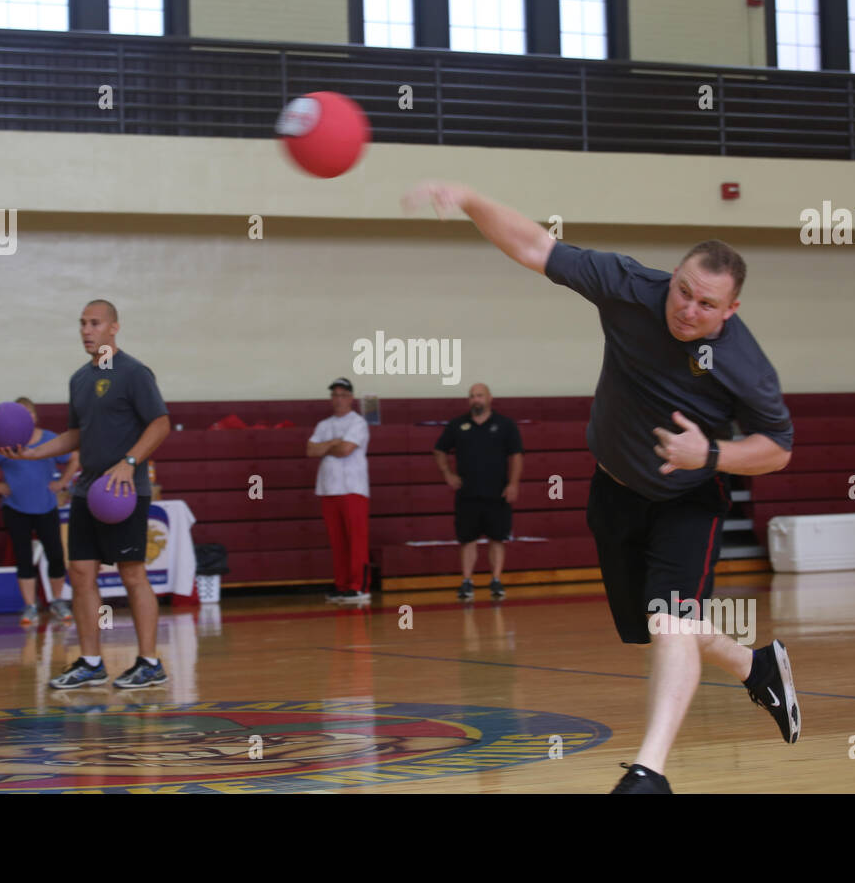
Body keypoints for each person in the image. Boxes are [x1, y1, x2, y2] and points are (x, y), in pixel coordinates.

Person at [404, 181, 799, 793]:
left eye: (706, 305)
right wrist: (470, 200)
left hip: (689, 498)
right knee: (658, 627)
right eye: (684, 291)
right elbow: (536, 246)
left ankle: (649, 774)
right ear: (673, 277)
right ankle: (757, 666)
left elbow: (778, 449)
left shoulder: (745, 365)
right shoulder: (628, 285)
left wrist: (712, 452)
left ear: (730, 312)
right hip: (614, 490)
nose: (688, 309)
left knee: (671, 619)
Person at [1, 300, 171, 689]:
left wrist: (129, 462)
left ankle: (149, 662)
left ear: (114, 328)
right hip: (86, 490)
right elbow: (75, 434)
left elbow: (160, 424)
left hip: (124, 490)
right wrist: (32, 452)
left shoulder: (133, 372)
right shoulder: (79, 379)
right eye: (82, 324)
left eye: (95, 323)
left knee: (132, 574)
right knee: (80, 574)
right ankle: (92, 662)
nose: (86, 330)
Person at [0, 397, 79, 624]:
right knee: (24, 558)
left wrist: (63, 483)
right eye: (21, 414)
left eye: (30, 413)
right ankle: (29, 606)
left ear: (35, 416)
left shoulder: (48, 439)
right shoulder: (5, 443)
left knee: (56, 555)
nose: (26, 418)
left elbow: (75, 457)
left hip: (46, 506)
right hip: (16, 508)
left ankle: (57, 601)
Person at [433, 383, 524, 600]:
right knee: (467, 540)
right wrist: (448, 473)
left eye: (480, 395)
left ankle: (496, 580)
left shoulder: (505, 425)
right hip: (467, 493)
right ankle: (467, 581)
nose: (476, 399)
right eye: (472, 396)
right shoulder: (458, 425)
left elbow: (517, 456)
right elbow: (439, 449)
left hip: (497, 492)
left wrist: (513, 484)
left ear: (489, 398)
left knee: (497, 538)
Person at [308, 378, 371, 605]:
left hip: (353, 488)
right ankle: (342, 584)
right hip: (328, 489)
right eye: (334, 395)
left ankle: (359, 586)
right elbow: (310, 450)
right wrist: (332, 443)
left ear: (351, 398)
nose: (338, 399)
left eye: (343, 395)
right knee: (338, 541)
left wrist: (328, 446)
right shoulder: (323, 425)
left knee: (356, 540)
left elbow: (346, 449)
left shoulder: (358, 423)